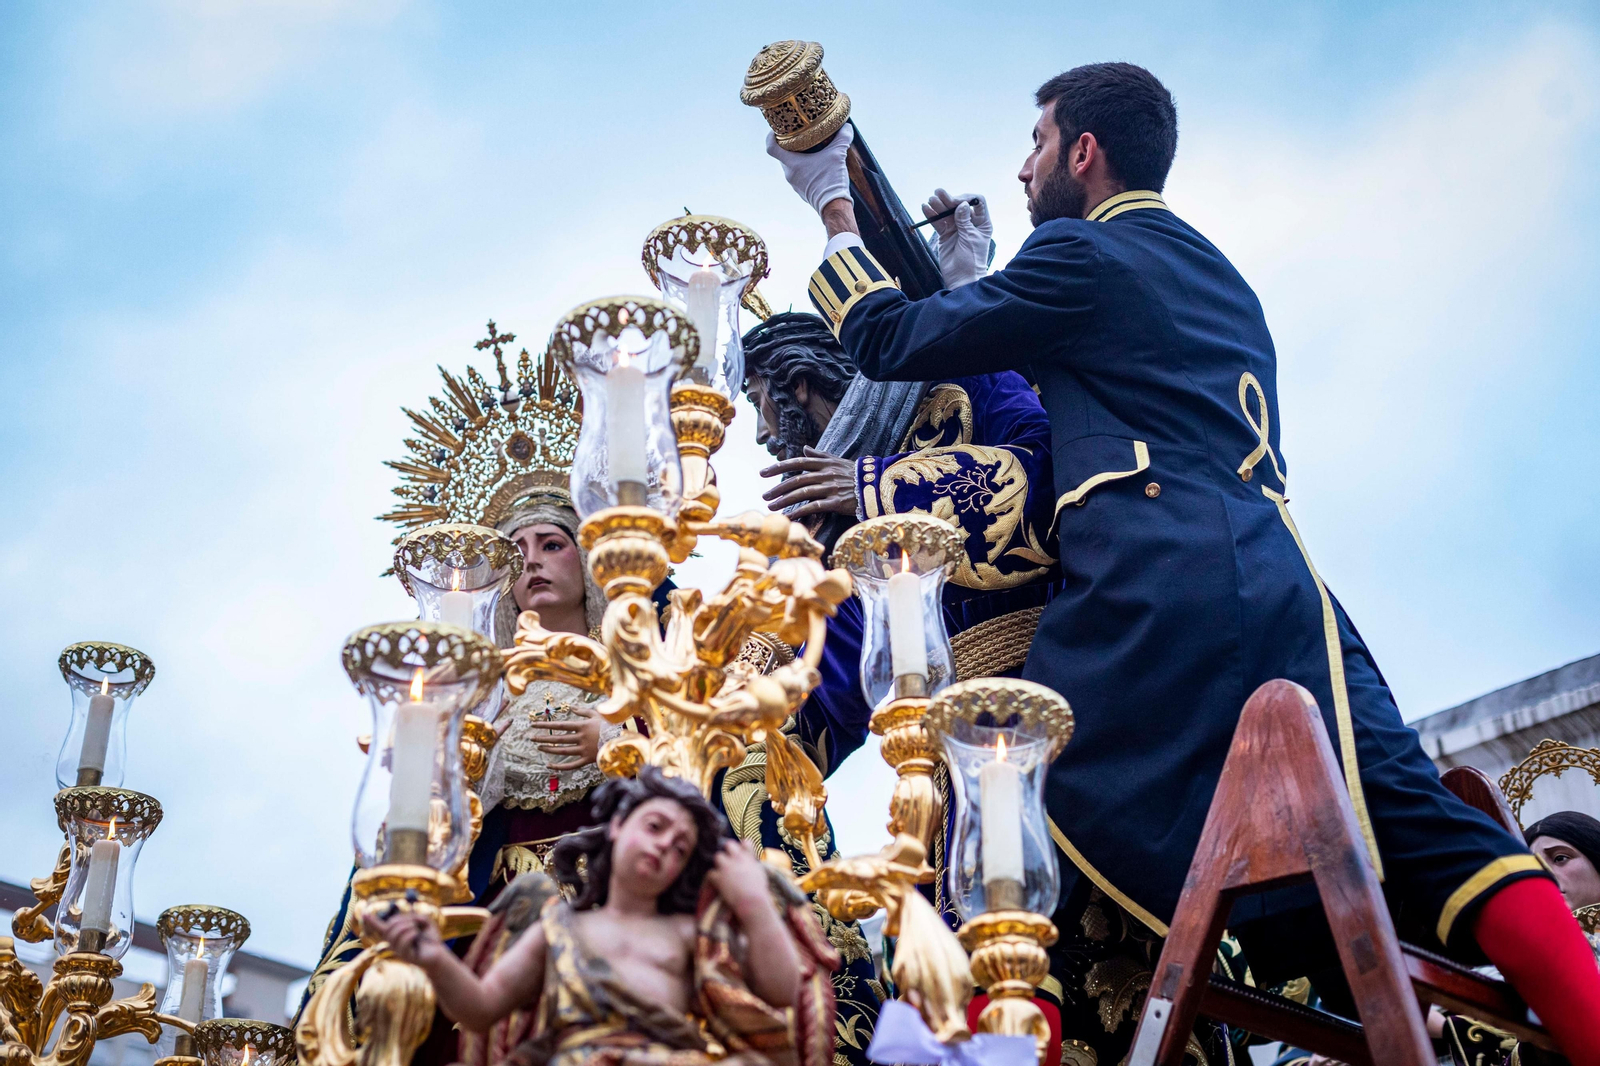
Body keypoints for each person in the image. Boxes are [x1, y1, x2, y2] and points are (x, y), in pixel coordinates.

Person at [764, 62, 1600, 1062]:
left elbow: (888, 335)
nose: (1022, 167)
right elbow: (1046, 361)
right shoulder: (1212, 274)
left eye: (1035, 144)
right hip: (1287, 592)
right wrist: (969, 267)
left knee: (1010, 803)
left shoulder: (1078, 254)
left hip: (1153, 594)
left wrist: (829, 203)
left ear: (1084, 152)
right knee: (1424, 826)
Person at [369, 767, 838, 1066]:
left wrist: (754, 902)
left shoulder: (687, 934)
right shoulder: (559, 926)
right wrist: (431, 955)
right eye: (654, 827)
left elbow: (782, 992)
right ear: (617, 826)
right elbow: (481, 1007)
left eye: (680, 848)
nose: (663, 847)